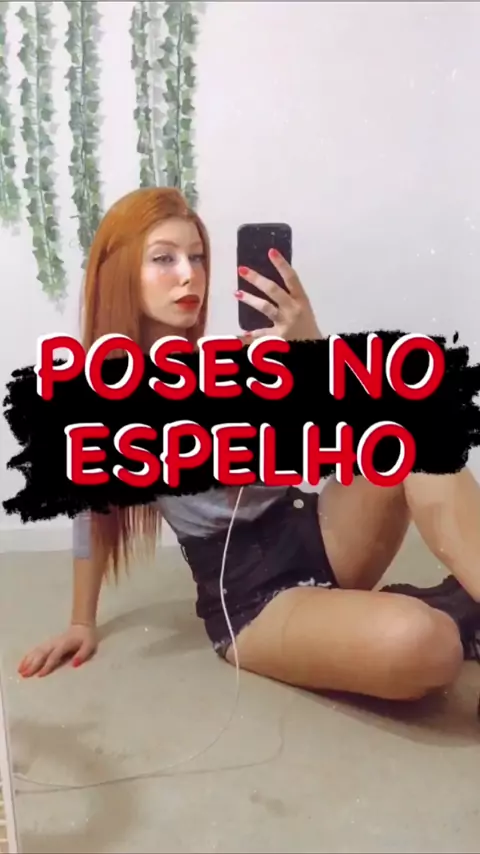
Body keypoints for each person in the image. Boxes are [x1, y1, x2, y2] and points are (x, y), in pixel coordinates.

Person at [17, 187, 480, 705]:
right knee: (428, 645)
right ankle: (442, 614)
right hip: (252, 598)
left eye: (197, 257)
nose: (189, 275)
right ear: (120, 271)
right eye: (164, 258)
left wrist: (313, 350)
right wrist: (81, 621)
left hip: (317, 532)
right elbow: (91, 514)